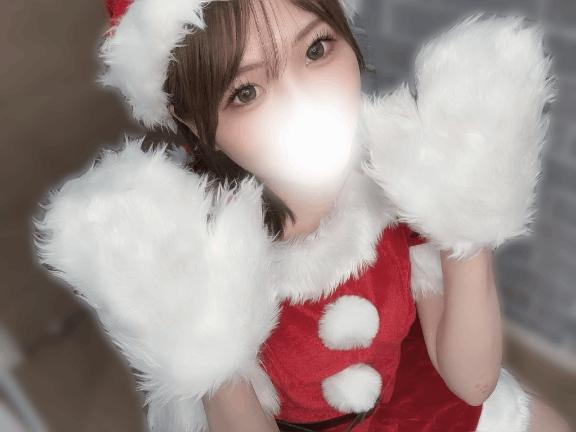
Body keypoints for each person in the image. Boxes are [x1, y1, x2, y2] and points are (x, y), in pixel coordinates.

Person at [32, 0, 572, 431]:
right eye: (246, 91)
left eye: (317, 48)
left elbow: (472, 382)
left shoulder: (396, 170)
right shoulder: (201, 250)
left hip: (413, 394)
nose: (304, 105)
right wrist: (200, 344)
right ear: (190, 119)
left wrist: (469, 219)